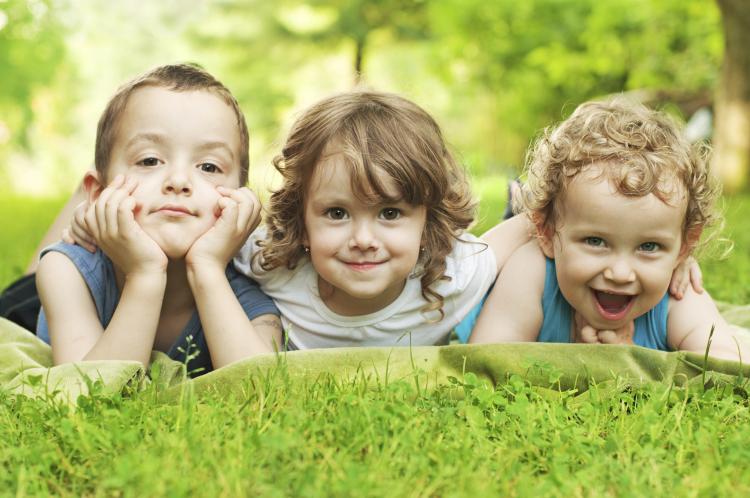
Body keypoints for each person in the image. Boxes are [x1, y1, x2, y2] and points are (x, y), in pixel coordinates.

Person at [231, 90, 536, 349]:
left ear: (426, 223)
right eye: (337, 213)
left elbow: (533, 222)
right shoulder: (270, 265)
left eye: (389, 213)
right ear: (302, 223)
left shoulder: (455, 274)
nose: (363, 240)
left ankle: (515, 196)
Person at [34, 64, 281, 375]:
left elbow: (260, 389)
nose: (178, 180)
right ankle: (84, 204)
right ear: (98, 191)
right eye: (149, 160)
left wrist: (207, 268)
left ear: (240, 202)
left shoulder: (251, 288)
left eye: (208, 166)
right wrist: (145, 274)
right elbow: (90, 393)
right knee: (35, 274)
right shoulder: (67, 272)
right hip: (35, 296)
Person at [469, 97, 746, 362]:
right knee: (515, 228)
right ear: (547, 234)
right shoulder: (532, 270)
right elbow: (486, 357)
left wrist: (631, 359)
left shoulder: (678, 292)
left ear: (683, 248)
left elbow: (726, 367)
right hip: (527, 241)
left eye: (649, 246)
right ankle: (519, 202)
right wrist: (575, 360)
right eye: (595, 241)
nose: (620, 273)